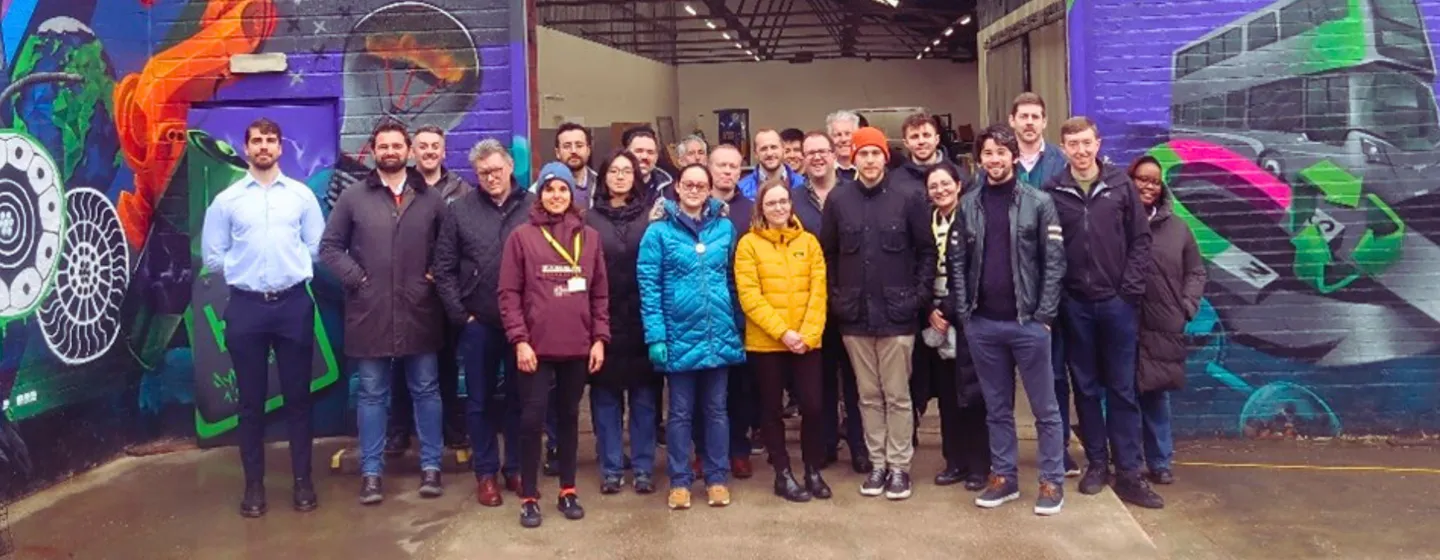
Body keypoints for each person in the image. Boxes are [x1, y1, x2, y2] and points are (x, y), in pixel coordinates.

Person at [201, 117, 325, 518]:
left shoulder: (302, 197)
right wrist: (248, 270)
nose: (264, 147)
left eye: (271, 140)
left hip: (293, 305)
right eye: (257, 141)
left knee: (298, 400)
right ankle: (254, 486)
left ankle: (303, 482)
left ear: (280, 147)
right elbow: (213, 257)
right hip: (246, 307)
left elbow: (318, 247)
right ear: (246, 147)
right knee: (251, 403)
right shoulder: (228, 200)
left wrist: (289, 267)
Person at [320, 119, 448, 505]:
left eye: (397, 145)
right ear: (373, 151)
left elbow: (448, 247)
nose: (390, 152)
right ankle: (372, 474)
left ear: (408, 151)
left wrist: (431, 277)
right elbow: (329, 248)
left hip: (419, 310)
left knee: (427, 390)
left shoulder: (429, 198)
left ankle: (431, 467)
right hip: (369, 312)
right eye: (383, 146)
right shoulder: (353, 197)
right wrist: (358, 281)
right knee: (373, 394)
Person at [945, 124, 1067, 516]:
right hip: (984, 325)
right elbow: (957, 262)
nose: (994, 160)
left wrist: (1044, 316)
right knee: (996, 409)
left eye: (1001, 152)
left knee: (1045, 410)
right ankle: (1005, 477)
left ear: (1014, 156)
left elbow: (1054, 263)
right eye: (987, 154)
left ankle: (1051, 480)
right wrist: (966, 316)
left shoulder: (1039, 202)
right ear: (978, 160)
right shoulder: (969, 204)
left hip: (1028, 324)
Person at [1043, 116, 1164, 509]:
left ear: (1098, 143)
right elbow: (1047, 251)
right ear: (1063, 149)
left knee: (1123, 389)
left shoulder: (1119, 185)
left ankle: (1129, 472)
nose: (1080, 150)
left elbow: (1140, 241)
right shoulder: (1053, 190)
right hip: (1075, 305)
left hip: (1117, 305)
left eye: (1086, 142)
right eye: (1072, 144)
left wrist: (1127, 292)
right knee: (1087, 388)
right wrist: (1060, 297)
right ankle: (1098, 463)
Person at [819, 126, 935, 500]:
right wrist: (837, 298)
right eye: (862, 154)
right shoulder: (838, 201)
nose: (869, 161)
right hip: (854, 317)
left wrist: (916, 298)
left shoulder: (910, 198)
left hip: (897, 315)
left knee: (898, 396)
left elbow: (926, 253)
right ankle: (878, 463)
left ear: (886, 157)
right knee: (867, 396)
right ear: (852, 159)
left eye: (875, 153)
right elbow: (829, 255)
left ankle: (900, 467)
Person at [497, 161, 610, 528]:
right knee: (531, 420)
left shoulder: (589, 237)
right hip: (536, 348)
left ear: (572, 194)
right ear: (540, 194)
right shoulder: (522, 237)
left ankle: (568, 489)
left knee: (568, 419)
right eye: (550, 189)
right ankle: (529, 496)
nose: (557, 196)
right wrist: (520, 341)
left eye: (563, 189)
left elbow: (599, 294)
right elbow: (508, 294)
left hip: (578, 345)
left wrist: (599, 339)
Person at [637, 164, 746, 510]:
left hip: (718, 334)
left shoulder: (725, 229)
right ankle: (680, 481)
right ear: (677, 189)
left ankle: (716, 478)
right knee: (680, 413)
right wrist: (656, 335)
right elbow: (649, 286)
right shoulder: (657, 233)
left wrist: (736, 322)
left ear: (711, 189)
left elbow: (733, 279)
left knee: (716, 410)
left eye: (702, 184)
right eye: (688, 184)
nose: (695, 190)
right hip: (678, 335)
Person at [433, 138, 532, 506]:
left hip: (523, 326)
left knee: (521, 400)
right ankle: (486, 473)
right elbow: (442, 270)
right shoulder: (459, 211)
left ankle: (517, 469)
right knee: (478, 401)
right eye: (483, 172)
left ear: (510, 168)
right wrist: (462, 316)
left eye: (496, 170)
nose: (491, 177)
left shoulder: (533, 208)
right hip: (480, 324)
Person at [734, 177, 832, 502]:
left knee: (814, 407)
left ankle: (812, 470)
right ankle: (783, 473)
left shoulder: (810, 242)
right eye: (771, 203)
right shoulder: (748, 245)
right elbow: (750, 296)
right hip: (767, 343)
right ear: (761, 208)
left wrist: (807, 333)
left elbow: (819, 292)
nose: (778, 208)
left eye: (783, 201)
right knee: (771, 410)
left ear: (791, 204)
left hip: (806, 341)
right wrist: (783, 332)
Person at [387, 125, 471, 456]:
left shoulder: (462, 191)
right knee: (401, 362)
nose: (430, 151)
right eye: (423, 146)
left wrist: (445, 274)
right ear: (412, 152)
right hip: (407, 292)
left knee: (447, 362)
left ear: (445, 151)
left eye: (436, 146)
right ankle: (398, 431)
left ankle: (451, 427)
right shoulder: (399, 188)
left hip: (446, 292)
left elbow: (467, 238)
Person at [1009, 92, 1079, 476]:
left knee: (1053, 372)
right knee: (1007, 374)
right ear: (1013, 121)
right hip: (1012, 283)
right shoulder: (1002, 161)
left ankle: (1060, 448)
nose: (1030, 122)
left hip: (1053, 282)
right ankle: (1001, 451)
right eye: (1024, 116)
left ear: (1045, 122)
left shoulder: (1060, 163)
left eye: (1036, 116)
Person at [586, 151, 661, 495]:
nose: (620, 176)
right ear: (603, 177)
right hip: (603, 321)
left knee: (645, 400)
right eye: (613, 170)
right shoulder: (587, 219)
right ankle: (612, 468)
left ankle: (644, 467)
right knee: (606, 400)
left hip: (645, 320)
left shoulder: (652, 217)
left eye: (626, 170)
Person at [791, 131, 864, 471]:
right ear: (803, 159)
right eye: (810, 153)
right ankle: (825, 445)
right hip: (809, 305)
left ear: (836, 155)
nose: (817, 157)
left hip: (850, 300)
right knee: (819, 380)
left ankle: (861, 447)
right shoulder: (792, 200)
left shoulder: (854, 193)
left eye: (823, 151)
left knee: (855, 378)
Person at [1130, 155, 1205, 486]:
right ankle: (1128, 461)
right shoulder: (1118, 221)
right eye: (1142, 179)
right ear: (1131, 180)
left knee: (1156, 395)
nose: (1148, 185)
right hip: (1125, 324)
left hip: (1163, 325)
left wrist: (1186, 306)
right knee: (1123, 396)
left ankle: (1160, 461)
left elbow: (1196, 270)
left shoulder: (1178, 229)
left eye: (1154, 181)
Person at [916, 162, 990, 492]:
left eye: (946, 184)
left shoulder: (973, 217)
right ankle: (954, 461)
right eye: (933, 186)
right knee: (946, 395)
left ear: (959, 185)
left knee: (973, 394)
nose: (940, 190)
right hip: (935, 316)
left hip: (968, 316)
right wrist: (930, 308)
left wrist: (947, 309)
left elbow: (977, 269)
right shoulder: (926, 222)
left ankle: (979, 465)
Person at [528, 122, 598, 207]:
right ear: (557, 152)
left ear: (588, 150)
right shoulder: (538, 190)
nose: (573, 151)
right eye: (567, 146)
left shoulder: (601, 184)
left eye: (579, 145)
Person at [738, 129, 805, 200]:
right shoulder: (741, 189)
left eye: (773, 147)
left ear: (783, 149)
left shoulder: (803, 185)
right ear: (756, 154)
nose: (769, 153)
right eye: (763, 149)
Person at [625, 127, 675, 195]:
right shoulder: (613, 185)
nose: (644, 156)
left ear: (656, 157)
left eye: (650, 152)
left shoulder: (670, 187)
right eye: (639, 151)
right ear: (626, 154)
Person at [826, 111, 860, 182]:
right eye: (838, 134)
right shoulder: (824, 171)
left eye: (848, 134)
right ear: (830, 139)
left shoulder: (866, 169)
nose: (843, 139)